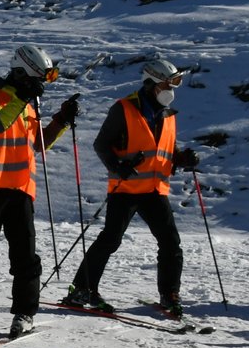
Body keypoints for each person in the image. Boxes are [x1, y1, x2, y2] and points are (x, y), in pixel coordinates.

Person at [63, 58, 200, 315]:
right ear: (150, 84)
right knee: (110, 240)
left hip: (154, 189)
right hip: (126, 189)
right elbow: (101, 145)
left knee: (171, 243)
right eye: (165, 85)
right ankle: (81, 289)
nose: (170, 91)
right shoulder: (123, 109)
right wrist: (118, 167)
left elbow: (165, 148)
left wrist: (181, 158)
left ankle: (170, 294)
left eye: (172, 86)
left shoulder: (167, 115)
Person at [0, 44, 73, 336]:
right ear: (21, 73)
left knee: (24, 257)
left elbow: (38, 145)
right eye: (35, 80)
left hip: (20, 189)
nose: (38, 86)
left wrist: (61, 121)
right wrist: (21, 99)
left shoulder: (27, 106)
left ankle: (24, 313)